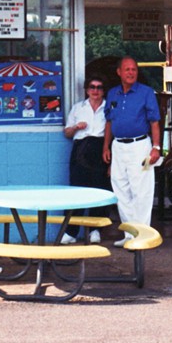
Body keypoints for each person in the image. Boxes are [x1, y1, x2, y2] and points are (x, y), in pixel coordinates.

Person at [102, 56, 162, 247]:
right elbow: (109, 122)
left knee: (141, 191)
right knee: (121, 191)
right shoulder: (113, 93)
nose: (131, 73)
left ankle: (143, 236)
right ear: (119, 72)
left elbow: (154, 122)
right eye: (127, 69)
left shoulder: (146, 92)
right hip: (118, 146)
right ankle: (129, 235)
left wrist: (156, 147)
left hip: (140, 146)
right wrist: (106, 147)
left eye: (134, 69)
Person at [60, 75, 112, 244]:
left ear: (103, 91)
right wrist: (76, 127)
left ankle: (95, 230)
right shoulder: (78, 108)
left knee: (100, 189)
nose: (95, 90)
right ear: (87, 90)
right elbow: (67, 133)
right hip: (81, 149)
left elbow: (113, 132)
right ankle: (71, 232)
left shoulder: (109, 107)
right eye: (92, 87)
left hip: (101, 148)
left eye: (99, 87)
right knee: (77, 190)